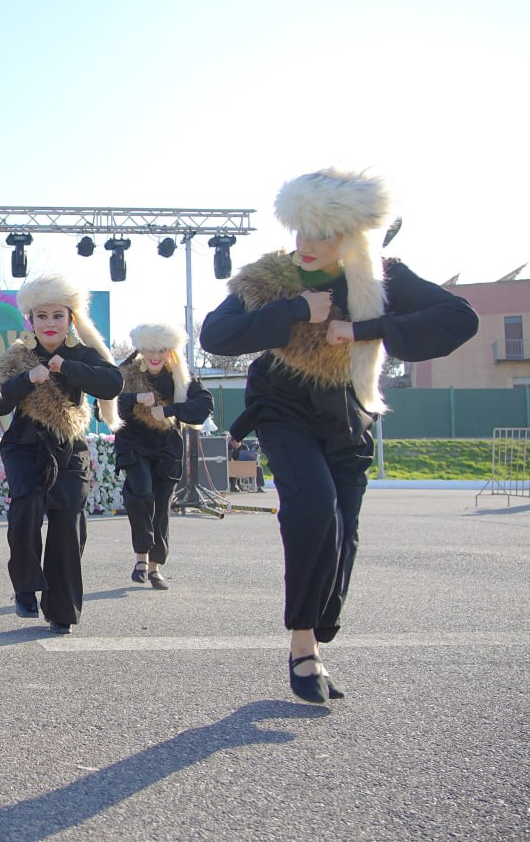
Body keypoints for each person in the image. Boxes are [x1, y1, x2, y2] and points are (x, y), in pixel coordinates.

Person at [200, 168, 478, 703]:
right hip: (283, 409)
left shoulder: (380, 277)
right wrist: (294, 310)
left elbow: (458, 319)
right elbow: (216, 334)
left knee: (344, 532)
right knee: (313, 508)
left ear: (352, 235)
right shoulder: (272, 276)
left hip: (349, 417)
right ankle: (302, 646)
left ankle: (320, 631)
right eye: (301, 229)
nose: (306, 244)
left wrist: (363, 329)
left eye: (323, 234)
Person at [0, 273, 124, 635]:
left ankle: (61, 609)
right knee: (28, 505)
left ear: (70, 318)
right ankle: (25, 588)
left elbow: (113, 383)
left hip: (69, 448)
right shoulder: (18, 355)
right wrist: (26, 380)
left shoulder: (82, 354)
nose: (50, 323)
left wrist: (66, 367)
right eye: (42, 316)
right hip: (24, 447)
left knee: (67, 524)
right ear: (30, 319)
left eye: (58, 316)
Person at [114, 322, 214, 591]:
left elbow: (205, 404)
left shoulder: (180, 375)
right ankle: (141, 557)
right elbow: (105, 407)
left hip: (167, 448)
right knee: (140, 493)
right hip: (134, 444)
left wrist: (171, 411)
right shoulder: (127, 373)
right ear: (141, 350)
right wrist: (136, 398)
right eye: (150, 350)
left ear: (170, 351)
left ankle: (154, 566)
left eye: (161, 350)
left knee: (161, 505)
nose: (155, 355)